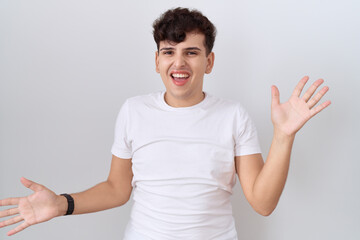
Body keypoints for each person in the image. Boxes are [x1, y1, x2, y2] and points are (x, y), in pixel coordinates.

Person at [0, 7, 331, 239]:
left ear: (209, 61)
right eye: (169, 51)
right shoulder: (133, 111)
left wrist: (284, 136)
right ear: (157, 60)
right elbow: (117, 189)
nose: (179, 62)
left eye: (191, 52)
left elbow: (262, 202)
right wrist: (61, 204)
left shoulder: (233, 116)